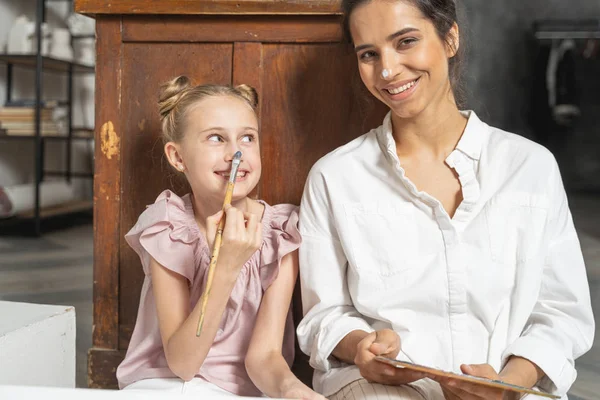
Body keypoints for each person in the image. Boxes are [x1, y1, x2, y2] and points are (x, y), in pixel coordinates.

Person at [296, 1, 595, 399]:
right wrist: (361, 348)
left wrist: (507, 385)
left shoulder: (530, 168)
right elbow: (325, 314)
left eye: (405, 42)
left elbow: (562, 313)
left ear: (450, 37)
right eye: (368, 54)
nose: (386, 70)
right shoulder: (334, 177)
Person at [116, 76, 324, 399]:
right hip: (162, 386)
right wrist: (224, 266)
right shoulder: (168, 227)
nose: (235, 154)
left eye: (247, 138)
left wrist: (293, 390)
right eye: (216, 138)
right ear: (177, 157)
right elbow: (183, 364)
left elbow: (264, 357)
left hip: (238, 392)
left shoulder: (281, 233)